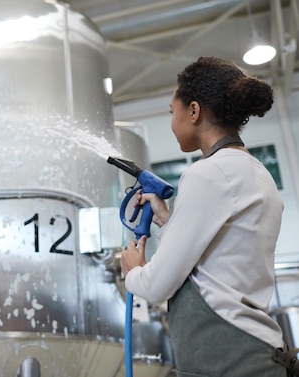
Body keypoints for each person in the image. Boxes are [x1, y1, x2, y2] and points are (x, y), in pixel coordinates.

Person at [120, 57, 288, 377]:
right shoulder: (254, 172)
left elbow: (156, 286)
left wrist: (133, 270)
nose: (172, 122)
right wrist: (168, 221)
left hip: (228, 358)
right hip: (252, 352)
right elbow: (218, 266)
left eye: (173, 112)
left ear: (194, 111)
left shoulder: (209, 174)